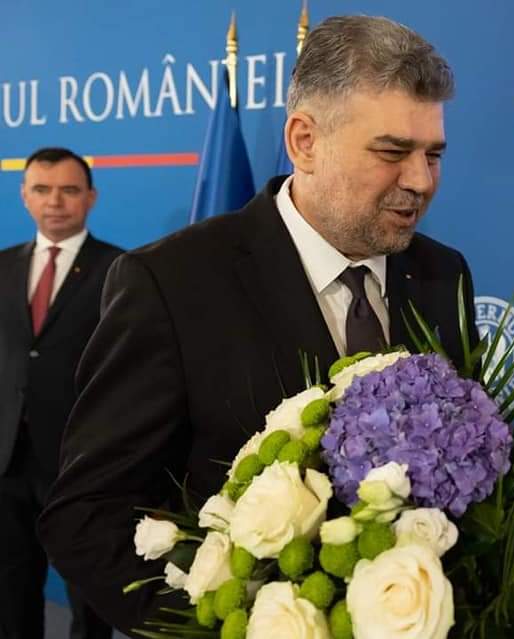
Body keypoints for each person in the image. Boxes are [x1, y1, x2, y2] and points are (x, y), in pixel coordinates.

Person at [38, 15, 479, 634]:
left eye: (433, 154)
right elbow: (85, 515)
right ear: (304, 141)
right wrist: (220, 627)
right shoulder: (171, 283)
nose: (420, 181)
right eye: (392, 152)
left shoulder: (443, 273)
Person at [0, 147, 121, 639]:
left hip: (80, 462)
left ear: (90, 197)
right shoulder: (3, 266)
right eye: (42, 190)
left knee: (88, 601)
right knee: (11, 594)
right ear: (24, 196)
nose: (55, 201)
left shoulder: (121, 269)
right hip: (8, 460)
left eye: (69, 190)